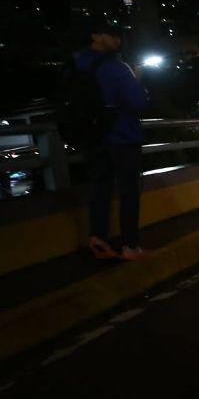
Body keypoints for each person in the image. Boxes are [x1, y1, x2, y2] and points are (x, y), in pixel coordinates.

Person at [74, 19, 150, 260]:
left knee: (100, 188)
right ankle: (130, 246)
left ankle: (98, 239)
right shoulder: (117, 67)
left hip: (92, 137)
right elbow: (139, 103)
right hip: (122, 136)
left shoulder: (76, 64)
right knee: (128, 191)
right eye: (111, 35)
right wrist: (137, 81)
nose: (117, 40)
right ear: (96, 36)